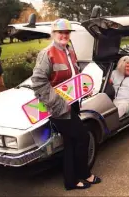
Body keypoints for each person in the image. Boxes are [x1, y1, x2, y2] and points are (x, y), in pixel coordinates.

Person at [31, 18, 101, 190]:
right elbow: (38, 83)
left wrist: (84, 90)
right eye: (60, 32)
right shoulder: (47, 53)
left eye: (67, 32)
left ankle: (71, 181)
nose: (64, 35)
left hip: (72, 104)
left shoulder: (69, 50)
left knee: (70, 142)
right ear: (53, 34)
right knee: (83, 137)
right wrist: (59, 103)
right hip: (58, 108)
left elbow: (73, 78)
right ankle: (84, 174)